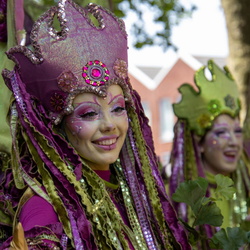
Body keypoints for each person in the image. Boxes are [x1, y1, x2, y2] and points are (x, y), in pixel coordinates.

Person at [0, 0, 191, 249]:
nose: (109, 124)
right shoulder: (45, 208)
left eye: (118, 108)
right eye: (89, 114)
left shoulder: (138, 198)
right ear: (57, 126)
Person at [168, 60, 250, 240]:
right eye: (221, 132)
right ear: (200, 144)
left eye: (237, 131)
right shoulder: (176, 202)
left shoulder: (246, 188)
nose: (234, 142)